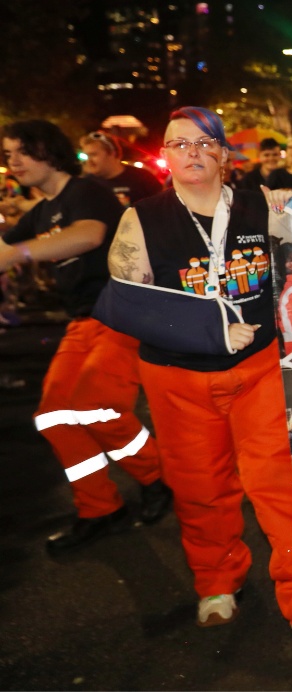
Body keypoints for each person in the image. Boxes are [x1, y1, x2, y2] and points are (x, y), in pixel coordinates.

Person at [104, 107, 292, 640]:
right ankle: (216, 581)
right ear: (163, 155)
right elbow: (128, 303)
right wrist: (206, 331)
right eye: (177, 143)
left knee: (280, 482)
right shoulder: (140, 218)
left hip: (258, 370)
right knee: (200, 486)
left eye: (202, 142)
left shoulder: (260, 207)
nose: (190, 151)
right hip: (177, 377)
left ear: (224, 155)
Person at [1, 120, 171, 554]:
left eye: (21, 151)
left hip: (119, 312)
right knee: (54, 415)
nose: (12, 161)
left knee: (97, 406)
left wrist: (18, 253)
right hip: (81, 321)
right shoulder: (41, 211)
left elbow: (89, 235)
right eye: (8, 153)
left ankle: (158, 479)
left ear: (48, 152)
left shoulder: (87, 191)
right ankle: (98, 507)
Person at [80, 130, 163, 207]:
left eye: (93, 155)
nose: (89, 161)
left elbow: (162, 207)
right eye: (87, 156)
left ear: (112, 153)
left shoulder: (142, 178)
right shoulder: (86, 184)